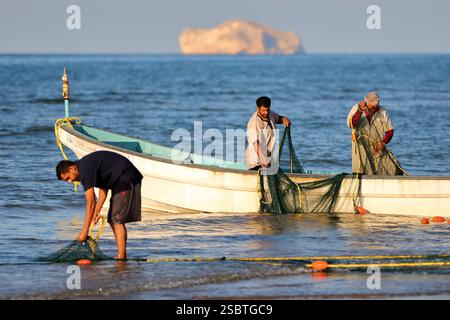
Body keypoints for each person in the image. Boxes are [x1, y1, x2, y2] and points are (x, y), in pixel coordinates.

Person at [56, 150, 143, 259]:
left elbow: (91, 202)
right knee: (113, 220)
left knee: (116, 219)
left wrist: (85, 231)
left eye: (68, 178)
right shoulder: (85, 168)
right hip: (121, 179)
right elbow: (103, 188)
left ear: (72, 168)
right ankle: (121, 255)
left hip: (126, 177)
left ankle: (122, 257)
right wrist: (97, 210)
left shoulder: (85, 170)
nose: (70, 182)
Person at [346, 92, 403, 175]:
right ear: (366, 103)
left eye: (376, 107)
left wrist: (382, 143)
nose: (373, 109)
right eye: (371, 107)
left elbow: (390, 131)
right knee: (361, 169)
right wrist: (359, 112)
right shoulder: (356, 108)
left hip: (377, 144)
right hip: (360, 144)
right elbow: (351, 125)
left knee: (392, 169)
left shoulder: (382, 111)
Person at [246, 96, 291, 171]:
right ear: (257, 108)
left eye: (268, 110)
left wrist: (284, 119)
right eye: (263, 110)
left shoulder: (270, 114)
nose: (266, 113)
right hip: (256, 162)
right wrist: (264, 160)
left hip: (269, 159)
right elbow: (255, 143)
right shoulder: (253, 123)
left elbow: (278, 118)